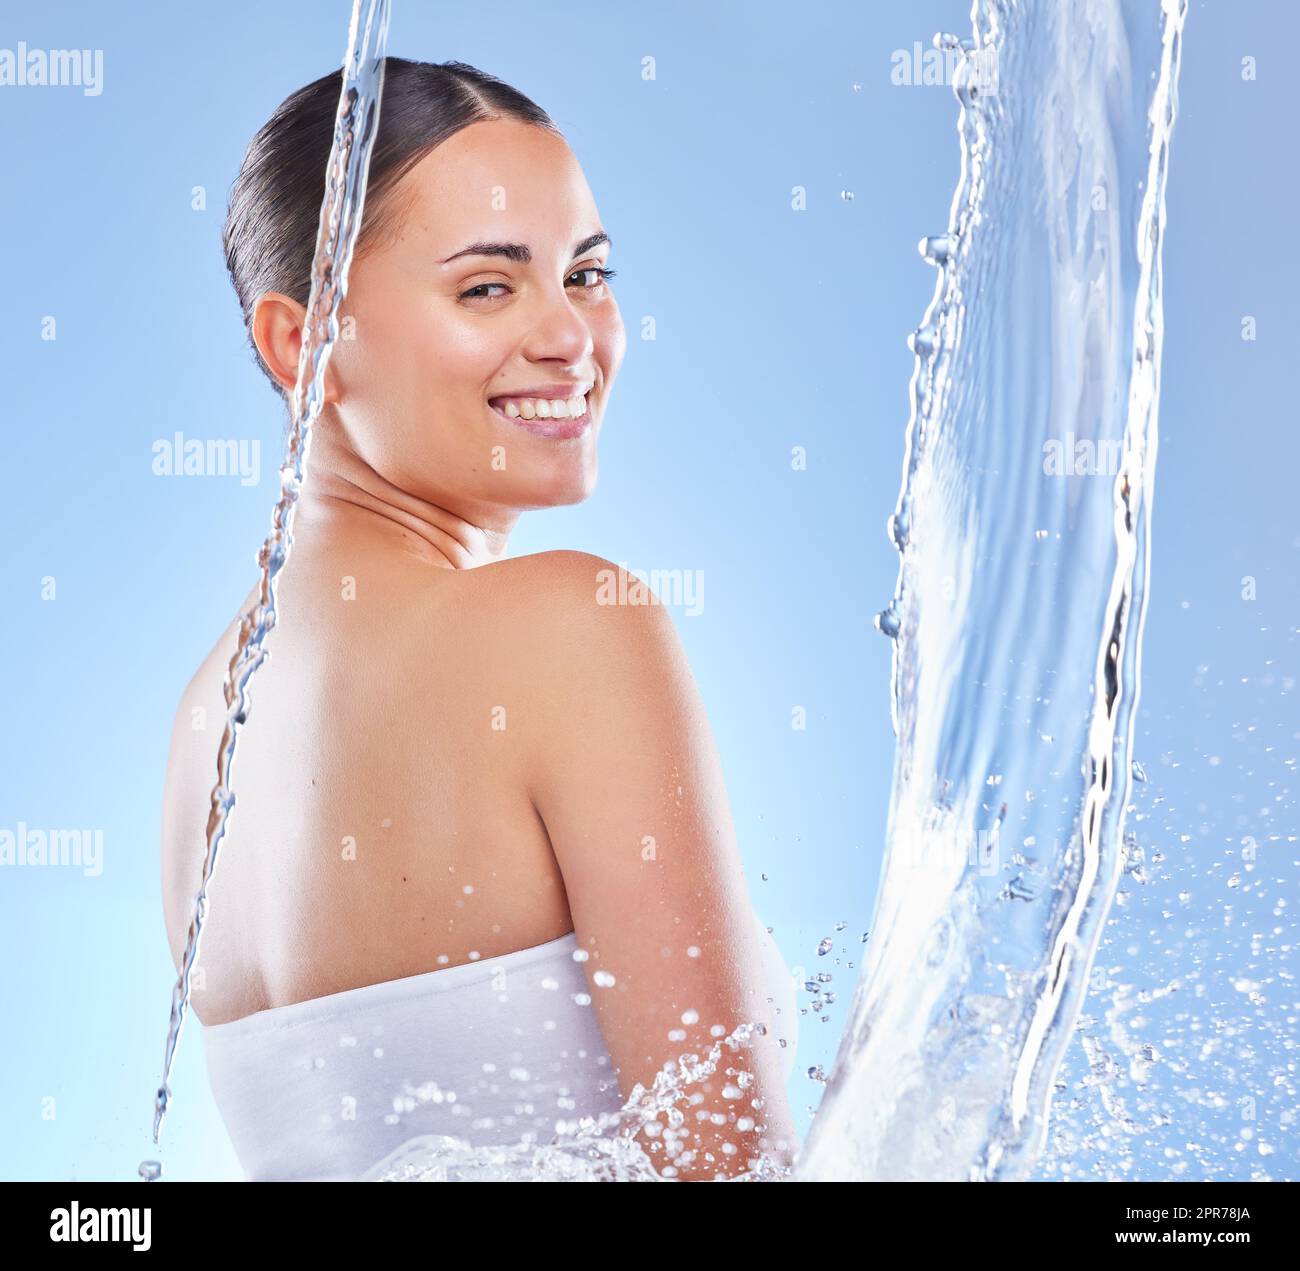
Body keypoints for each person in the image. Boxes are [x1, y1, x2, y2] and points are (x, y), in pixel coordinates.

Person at [159, 57, 799, 1182]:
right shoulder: (569, 630)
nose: (571, 337)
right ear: (302, 343)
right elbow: (733, 1172)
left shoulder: (202, 732)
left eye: (588, 274)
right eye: (488, 288)